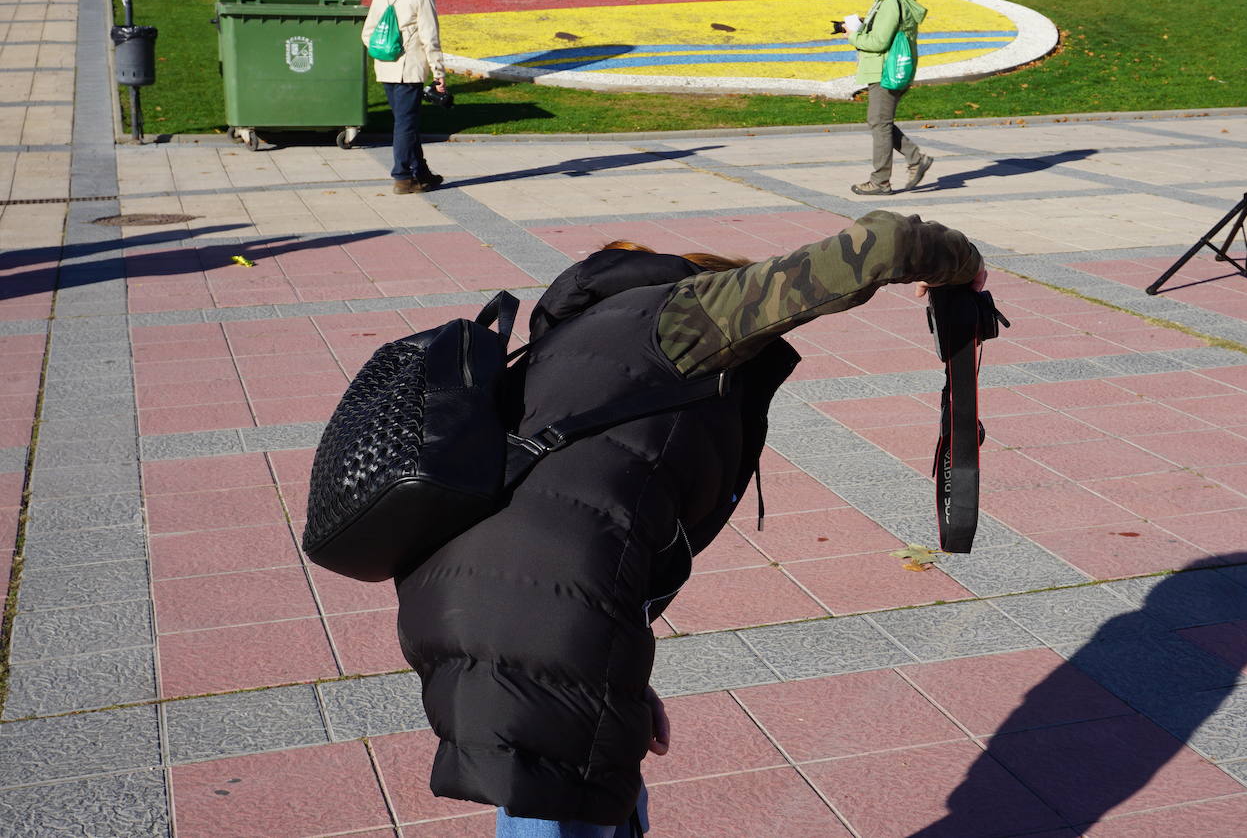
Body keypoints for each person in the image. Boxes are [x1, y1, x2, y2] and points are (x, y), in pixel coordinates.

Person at [393, 210, 985, 835]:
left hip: (472, 593)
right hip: (539, 611)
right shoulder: (684, 316)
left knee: (558, 782)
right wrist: (963, 268)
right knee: (558, 798)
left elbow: (576, 504)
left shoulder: (578, 331)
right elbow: (883, 245)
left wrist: (622, 669)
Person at [359, 0, 445, 195]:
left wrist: (388, 52)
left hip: (386, 68)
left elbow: (368, 33)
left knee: (405, 123)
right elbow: (430, 36)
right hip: (409, 69)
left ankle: (422, 172)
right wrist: (439, 73)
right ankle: (403, 177)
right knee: (406, 125)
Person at [845, 0, 933, 196]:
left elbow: (879, 41)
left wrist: (853, 35)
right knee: (879, 122)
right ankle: (916, 159)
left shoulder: (890, 4)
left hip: (886, 71)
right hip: (893, 69)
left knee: (880, 125)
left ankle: (880, 181)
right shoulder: (898, 2)